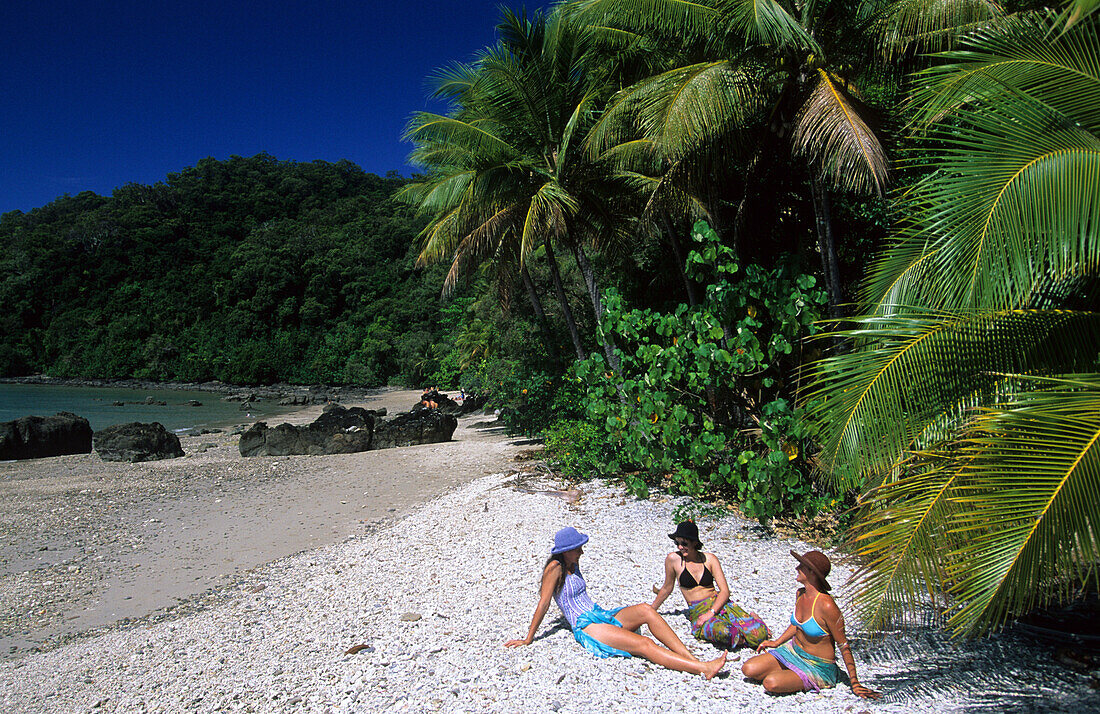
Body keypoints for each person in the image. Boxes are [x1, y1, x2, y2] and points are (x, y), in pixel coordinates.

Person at [505, 526, 728, 680]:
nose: (582, 551)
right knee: (644, 645)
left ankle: (689, 658)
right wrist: (528, 638)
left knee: (646, 610)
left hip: (600, 614)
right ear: (565, 551)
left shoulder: (573, 563)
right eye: (578, 548)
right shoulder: (554, 569)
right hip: (588, 626)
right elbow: (544, 603)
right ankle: (701, 669)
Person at [742, 550, 880, 699]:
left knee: (771, 683)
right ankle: (790, 674)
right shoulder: (800, 594)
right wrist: (776, 642)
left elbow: (843, 644)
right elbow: (797, 625)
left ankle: (815, 679)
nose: (797, 568)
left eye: (801, 566)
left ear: (812, 573)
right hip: (793, 652)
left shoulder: (827, 606)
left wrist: (855, 683)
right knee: (748, 669)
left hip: (817, 665)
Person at [652, 521, 770, 650]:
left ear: (695, 543)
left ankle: (754, 619)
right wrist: (651, 610)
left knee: (760, 636)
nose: (680, 547)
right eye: (677, 543)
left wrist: (711, 612)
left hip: (718, 603)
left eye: (684, 544)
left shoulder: (710, 559)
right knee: (727, 633)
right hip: (699, 609)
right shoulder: (673, 559)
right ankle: (746, 625)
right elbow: (667, 588)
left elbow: (725, 591)